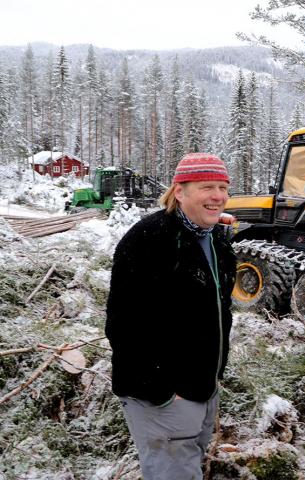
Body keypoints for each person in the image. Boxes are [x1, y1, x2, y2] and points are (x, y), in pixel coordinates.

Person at [105, 153, 237, 479]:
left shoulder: (216, 239)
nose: (218, 196)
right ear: (180, 191)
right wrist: (161, 393)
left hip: (203, 389)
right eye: (207, 187)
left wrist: (213, 376)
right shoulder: (149, 239)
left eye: (223, 187)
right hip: (163, 396)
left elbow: (218, 310)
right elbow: (123, 324)